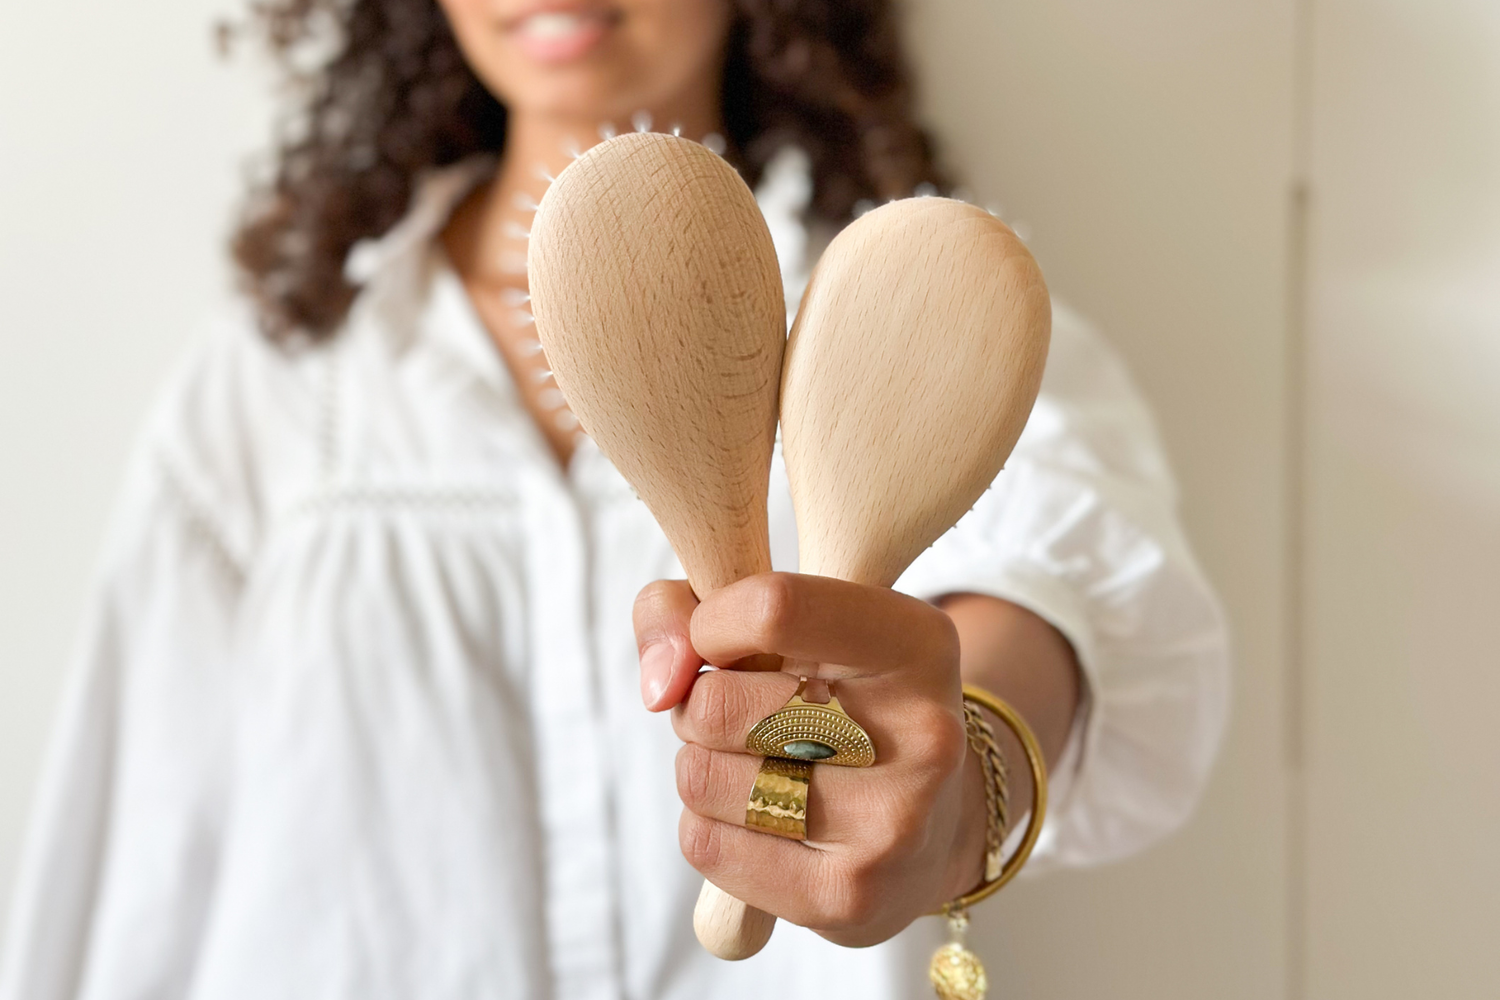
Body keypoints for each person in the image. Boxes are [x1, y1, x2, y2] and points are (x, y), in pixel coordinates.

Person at [0, 1, 1230, 997]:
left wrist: (956, 787)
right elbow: (140, 840)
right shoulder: (275, 383)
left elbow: (1070, 586)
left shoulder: (914, 310)